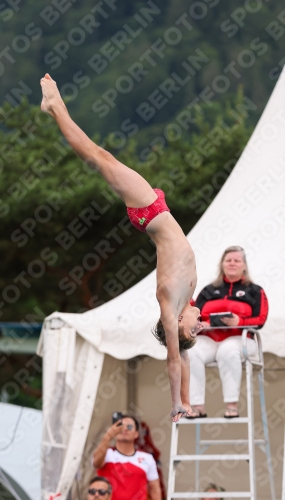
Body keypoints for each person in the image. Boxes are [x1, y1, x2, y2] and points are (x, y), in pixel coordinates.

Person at [40, 73, 202, 422]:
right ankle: (56, 109)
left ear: (174, 325)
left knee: (99, 158)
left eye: (193, 328)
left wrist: (174, 404)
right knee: (101, 159)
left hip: (150, 212)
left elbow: (175, 359)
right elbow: (186, 357)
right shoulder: (186, 300)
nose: (199, 324)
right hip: (157, 213)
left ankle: (56, 108)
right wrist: (188, 401)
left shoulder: (168, 303)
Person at [188, 246, 268, 418]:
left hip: (241, 338)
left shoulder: (255, 290)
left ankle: (232, 405)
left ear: (244, 265)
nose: (232, 263)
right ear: (222, 264)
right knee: (190, 351)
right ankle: (197, 406)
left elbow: (260, 319)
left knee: (228, 350)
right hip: (210, 339)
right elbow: (194, 315)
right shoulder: (208, 290)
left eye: (236, 260)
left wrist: (240, 321)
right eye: (228, 260)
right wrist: (203, 323)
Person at [92, 415, 161, 500]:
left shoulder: (147, 458)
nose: (125, 429)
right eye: (120, 426)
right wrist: (108, 436)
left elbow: (154, 488)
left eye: (129, 426)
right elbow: (96, 463)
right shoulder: (106, 453)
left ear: (136, 434)